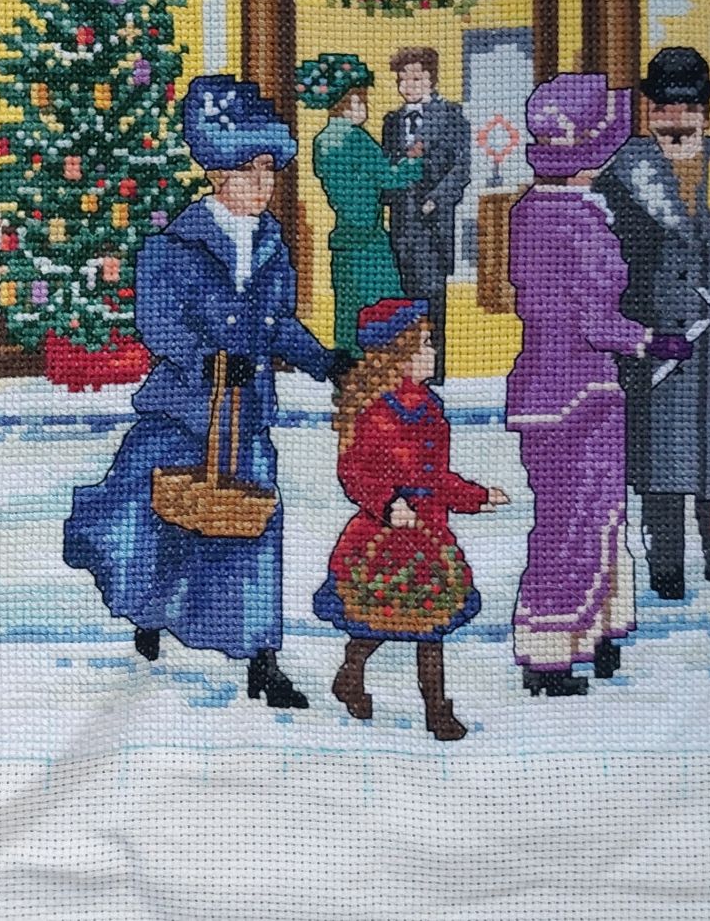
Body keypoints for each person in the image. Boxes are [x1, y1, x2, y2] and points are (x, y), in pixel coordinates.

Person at [64, 74, 352, 709]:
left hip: (246, 420)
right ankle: (148, 614)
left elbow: (278, 324)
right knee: (158, 527)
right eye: (249, 171)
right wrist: (209, 362)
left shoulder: (272, 246)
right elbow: (159, 322)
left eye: (269, 170)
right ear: (217, 173)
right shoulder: (173, 246)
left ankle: (262, 658)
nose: (262, 184)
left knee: (253, 530)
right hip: (181, 414)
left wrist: (324, 361)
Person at [508, 75, 691, 696]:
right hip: (582, 390)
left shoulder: (529, 209)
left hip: (538, 388)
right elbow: (594, 318)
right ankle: (552, 652)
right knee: (584, 518)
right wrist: (651, 340)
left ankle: (595, 629)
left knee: (574, 515)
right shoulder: (580, 218)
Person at [595, 47, 710, 601]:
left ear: (705, 112)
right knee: (661, 462)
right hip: (660, 339)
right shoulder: (623, 172)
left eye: (688, 109)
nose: (676, 120)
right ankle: (666, 568)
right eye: (665, 109)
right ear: (649, 111)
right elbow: (606, 258)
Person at [316, 300, 506, 740]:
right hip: (383, 539)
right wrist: (388, 504)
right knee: (376, 619)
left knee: (430, 627)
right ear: (396, 354)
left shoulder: (430, 408)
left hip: (429, 537)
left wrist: (476, 497)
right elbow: (353, 472)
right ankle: (351, 673)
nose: (433, 352)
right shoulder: (373, 409)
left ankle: (436, 708)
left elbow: (437, 477)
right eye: (424, 345)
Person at [296, 53, 423, 351]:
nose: (364, 108)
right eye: (361, 101)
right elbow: (389, 177)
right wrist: (415, 160)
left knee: (347, 312)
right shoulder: (355, 138)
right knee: (385, 308)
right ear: (349, 102)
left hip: (343, 239)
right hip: (369, 240)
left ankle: (348, 370)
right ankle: (384, 368)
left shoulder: (322, 141)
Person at [379, 47, 469, 382]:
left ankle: (434, 372)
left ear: (431, 79)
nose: (408, 85)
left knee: (432, 299)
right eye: (402, 79)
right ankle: (405, 370)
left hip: (433, 227)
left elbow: (461, 169)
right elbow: (385, 170)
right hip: (401, 226)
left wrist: (436, 200)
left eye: (416, 78)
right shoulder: (392, 122)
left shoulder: (450, 115)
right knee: (403, 300)